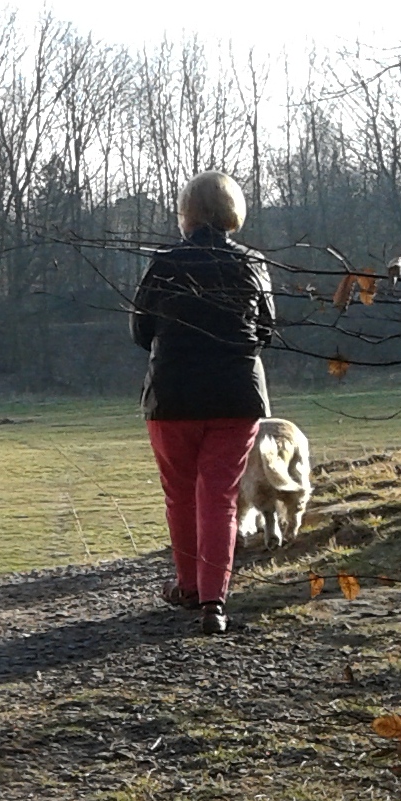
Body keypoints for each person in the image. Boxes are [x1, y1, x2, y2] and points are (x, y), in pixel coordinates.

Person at [131, 171, 274, 635]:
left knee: (180, 492)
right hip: (237, 395)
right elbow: (266, 330)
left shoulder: (166, 263)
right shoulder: (252, 264)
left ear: (186, 214)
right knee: (220, 496)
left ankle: (189, 586)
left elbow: (140, 331)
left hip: (173, 396)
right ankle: (215, 600)